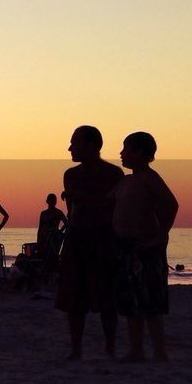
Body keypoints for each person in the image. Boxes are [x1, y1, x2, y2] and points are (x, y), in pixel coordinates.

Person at [56, 125, 125, 359]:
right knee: (74, 298)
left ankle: (110, 347)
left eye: (74, 143)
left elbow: (111, 207)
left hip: (104, 238)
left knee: (107, 296)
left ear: (91, 146)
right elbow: (73, 210)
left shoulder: (114, 174)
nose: (70, 148)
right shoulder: (71, 175)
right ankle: (76, 349)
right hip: (77, 238)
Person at [112, 132, 179, 361]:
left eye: (126, 148)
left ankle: (160, 351)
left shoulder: (150, 178)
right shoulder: (126, 181)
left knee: (151, 301)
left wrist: (160, 235)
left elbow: (171, 204)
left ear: (140, 153)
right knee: (131, 302)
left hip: (146, 247)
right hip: (126, 246)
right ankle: (136, 350)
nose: (121, 153)